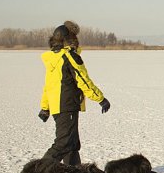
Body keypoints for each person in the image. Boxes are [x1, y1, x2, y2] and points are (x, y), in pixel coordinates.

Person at [37, 20, 110, 165]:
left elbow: (48, 86)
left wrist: (45, 108)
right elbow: (83, 80)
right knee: (63, 143)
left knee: (72, 144)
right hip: (68, 105)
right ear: (70, 39)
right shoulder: (69, 57)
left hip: (59, 106)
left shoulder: (54, 57)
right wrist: (100, 99)